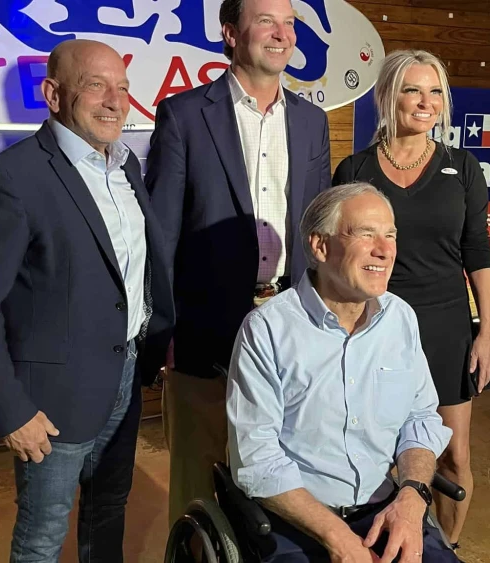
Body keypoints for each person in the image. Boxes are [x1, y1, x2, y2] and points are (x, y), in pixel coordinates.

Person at [0, 39, 173, 562]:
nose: (115, 100)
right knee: (43, 534)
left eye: (122, 87)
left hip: (124, 380)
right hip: (48, 401)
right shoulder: (12, 179)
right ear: (52, 94)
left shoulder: (126, 168)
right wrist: (10, 411)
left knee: (108, 511)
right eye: (96, 85)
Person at [145, 0, 331, 525]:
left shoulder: (312, 121)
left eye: (290, 23)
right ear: (231, 32)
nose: (282, 34)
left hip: (292, 329)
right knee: (199, 483)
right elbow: (160, 233)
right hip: (206, 329)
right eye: (266, 21)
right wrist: (166, 329)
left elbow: (318, 231)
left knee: (285, 478)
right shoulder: (183, 115)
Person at [227, 182, 458, 563]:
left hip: (385, 508)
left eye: (390, 235)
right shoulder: (267, 329)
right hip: (297, 521)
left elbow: (420, 418)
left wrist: (413, 496)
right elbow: (258, 460)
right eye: (366, 235)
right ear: (320, 246)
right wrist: (336, 535)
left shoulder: (400, 318)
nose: (385, 251)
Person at [331, 50, 490, 551]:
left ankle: (443, 549)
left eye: (434, 92)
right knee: (374, 451)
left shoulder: (461, 166)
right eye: (412, 90)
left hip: (446, 327)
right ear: (387, 96)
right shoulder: (355, 168)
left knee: (451, 457)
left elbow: (478, 250)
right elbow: (338, 257)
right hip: (372, 329)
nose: (425, 102)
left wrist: (486, 331)